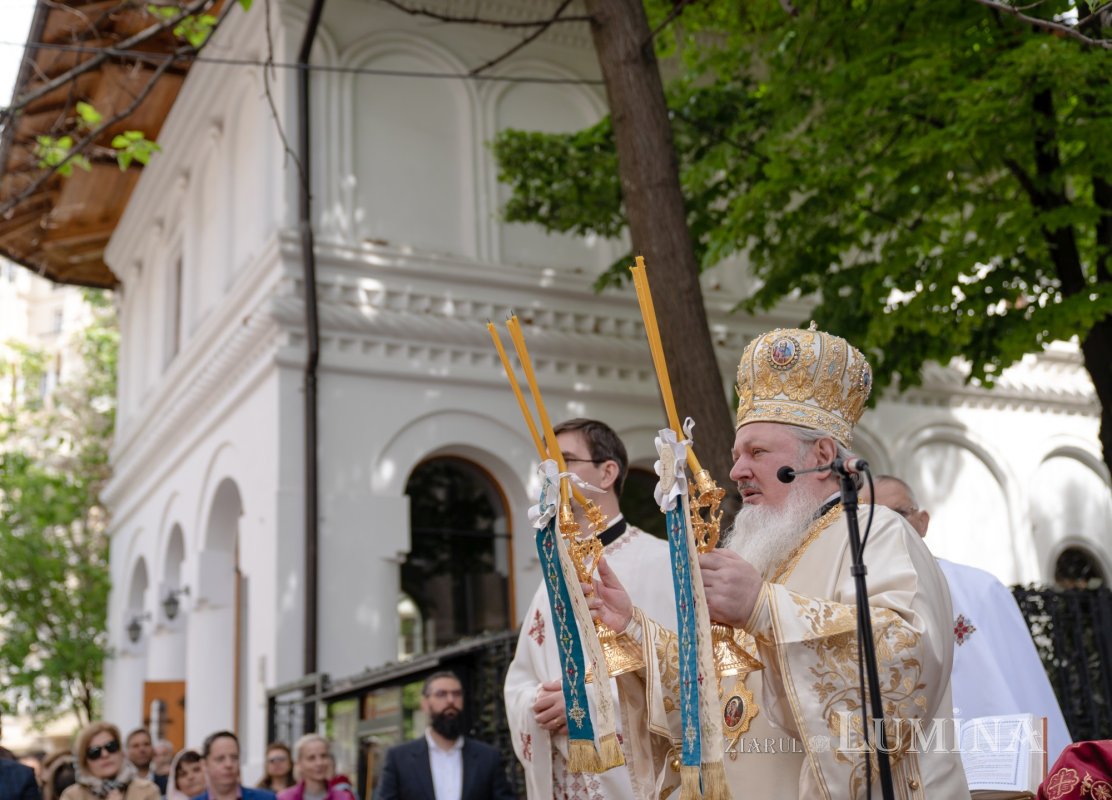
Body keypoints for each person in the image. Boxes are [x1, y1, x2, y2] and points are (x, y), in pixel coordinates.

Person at [588, 326, 971, 799]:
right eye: (735, 456)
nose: (735, 471)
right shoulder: (762, 554)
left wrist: (764, 609)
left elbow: (904, 663)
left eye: (757, 452)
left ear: (822, 455)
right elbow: (722, 691)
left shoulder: (876, 532)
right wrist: (633, 632)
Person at [504, 418, 677, 800]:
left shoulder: (661, 563)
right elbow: (519, 680)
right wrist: (537, 703)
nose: (552, 476)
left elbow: (681, 671)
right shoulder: (551, 578)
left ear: (607, 472)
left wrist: (589, 705)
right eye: (546, 465)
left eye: (564, 461)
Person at [866, 474, 1073, 761]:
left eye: (898, 514)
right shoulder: (856, 603)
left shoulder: (980, 588)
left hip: (998, 760)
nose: (888, 526)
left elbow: (1024, 681)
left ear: (922, 522)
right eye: (872, 518)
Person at [375, 672, 515, 800]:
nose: (450, 700)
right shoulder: (399, 759)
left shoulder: (488, 757)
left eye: (457, 694)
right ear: (424, 703)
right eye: (441, 694)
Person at [61, 722, 160, 800]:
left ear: (121, 751)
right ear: (84, 760)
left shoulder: (148, 790)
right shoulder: (72, 796)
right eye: (95, 752)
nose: (105, 754)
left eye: (111, 747)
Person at [192, 731, 275, 800]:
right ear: (204, 764)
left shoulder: (266, 798)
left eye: (234, 758)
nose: (229, 764)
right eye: (220, 759)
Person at [276, 735, 355, 800]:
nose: (319, 763)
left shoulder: (344, 798)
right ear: (299, 763)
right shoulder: (285, 798)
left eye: (324, 756)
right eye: (311, 758)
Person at [125, 730, 165, 794]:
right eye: (136, 746)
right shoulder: (120, 785)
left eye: (146, 744)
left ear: (153, 749)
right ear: (127, 752)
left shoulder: (167, 784)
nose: (142, 749)